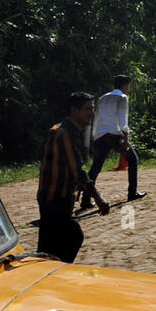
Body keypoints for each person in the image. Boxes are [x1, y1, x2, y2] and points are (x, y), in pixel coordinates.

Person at [38, 92, 110, 262]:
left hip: (55, 196)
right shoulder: (64, 133)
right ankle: (56, 272)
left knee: (50, 245)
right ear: (74, 111)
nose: (92, 113)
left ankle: (50, 273)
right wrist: (98, 198)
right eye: (87, 109)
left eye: (92, 109)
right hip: (55, 197)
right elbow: (77, 170)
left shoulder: (66, 130)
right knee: (72, 236)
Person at [82, 74, 145, 209]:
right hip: (114, 135)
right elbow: (123, 120)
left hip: (100, 135)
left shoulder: (102, 98)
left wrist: (95, 136)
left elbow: (96, 118)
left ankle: (85, 200)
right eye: (128, 85)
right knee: (133, 159)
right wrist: (125, 138)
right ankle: (132, 193)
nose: (129, 88)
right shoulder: (122, 97)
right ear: (124, 85)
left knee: (95, 168)